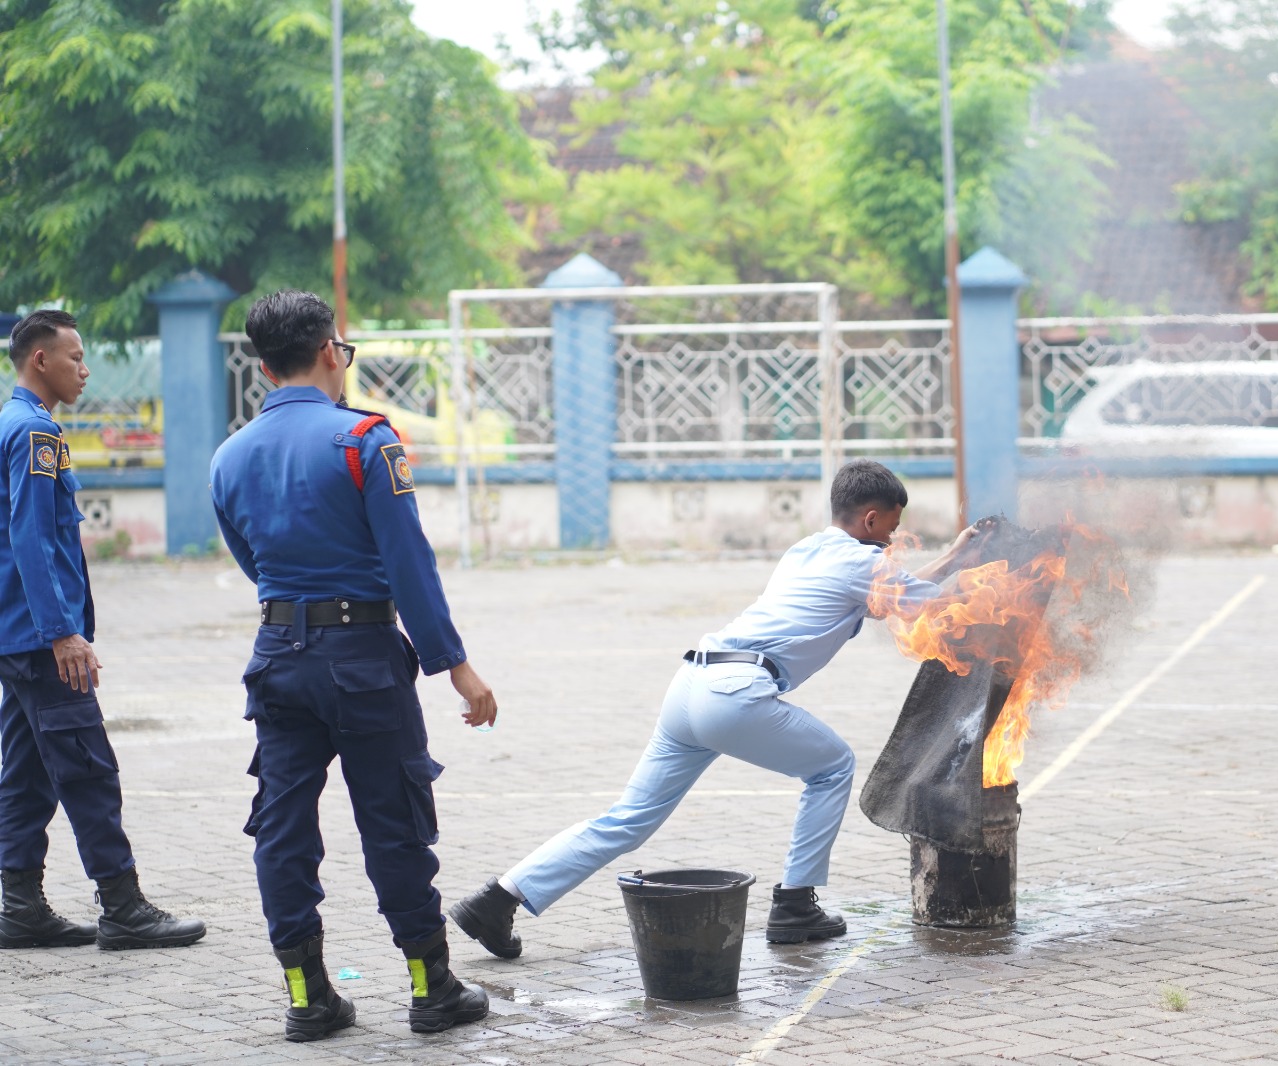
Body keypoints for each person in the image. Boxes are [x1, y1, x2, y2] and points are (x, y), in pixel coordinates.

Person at [449, 459, 978, 957]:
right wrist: (983, 579)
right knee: (833, 766)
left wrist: (955, 556)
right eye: (890, 526)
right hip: (735, 694)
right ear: (869, 518)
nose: (891, 538)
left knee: (626, 819)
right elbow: (924, 606)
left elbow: (894, 594)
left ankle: (497, 900)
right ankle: (795, 905)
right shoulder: (862, 561)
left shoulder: (809, 549)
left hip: (691, 686)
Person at [210, 290, 498, 1042]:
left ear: (263, 363)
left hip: (276, 657)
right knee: (393, 822)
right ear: (330, 350)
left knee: (282, 830)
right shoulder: (364, 439)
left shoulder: (229, 456)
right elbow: (410, 565)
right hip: (363, 658)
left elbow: (251, 559)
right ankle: (431, 988)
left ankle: (309, 997)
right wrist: (455, 667)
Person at [0, 310, 206, 951]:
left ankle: (17, 906)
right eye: (74, 358)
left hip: (16, 633)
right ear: (40, 360)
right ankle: (123, 905)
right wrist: (62, 632)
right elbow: (30, 538)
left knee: (27, 772)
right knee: (88, 768)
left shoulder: (15, 423)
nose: (85, 370)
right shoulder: (33, 432)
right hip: (39, 638)